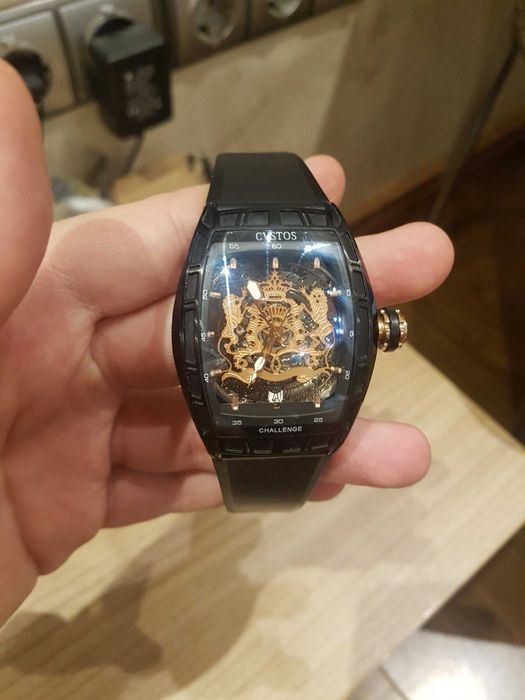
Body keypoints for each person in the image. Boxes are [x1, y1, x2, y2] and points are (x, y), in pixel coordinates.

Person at [0, 60, 454, 627]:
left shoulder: (259, 293)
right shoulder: (259, 293)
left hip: (262, 401)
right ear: (378, 329)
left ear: (375, 329)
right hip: (262, 400)